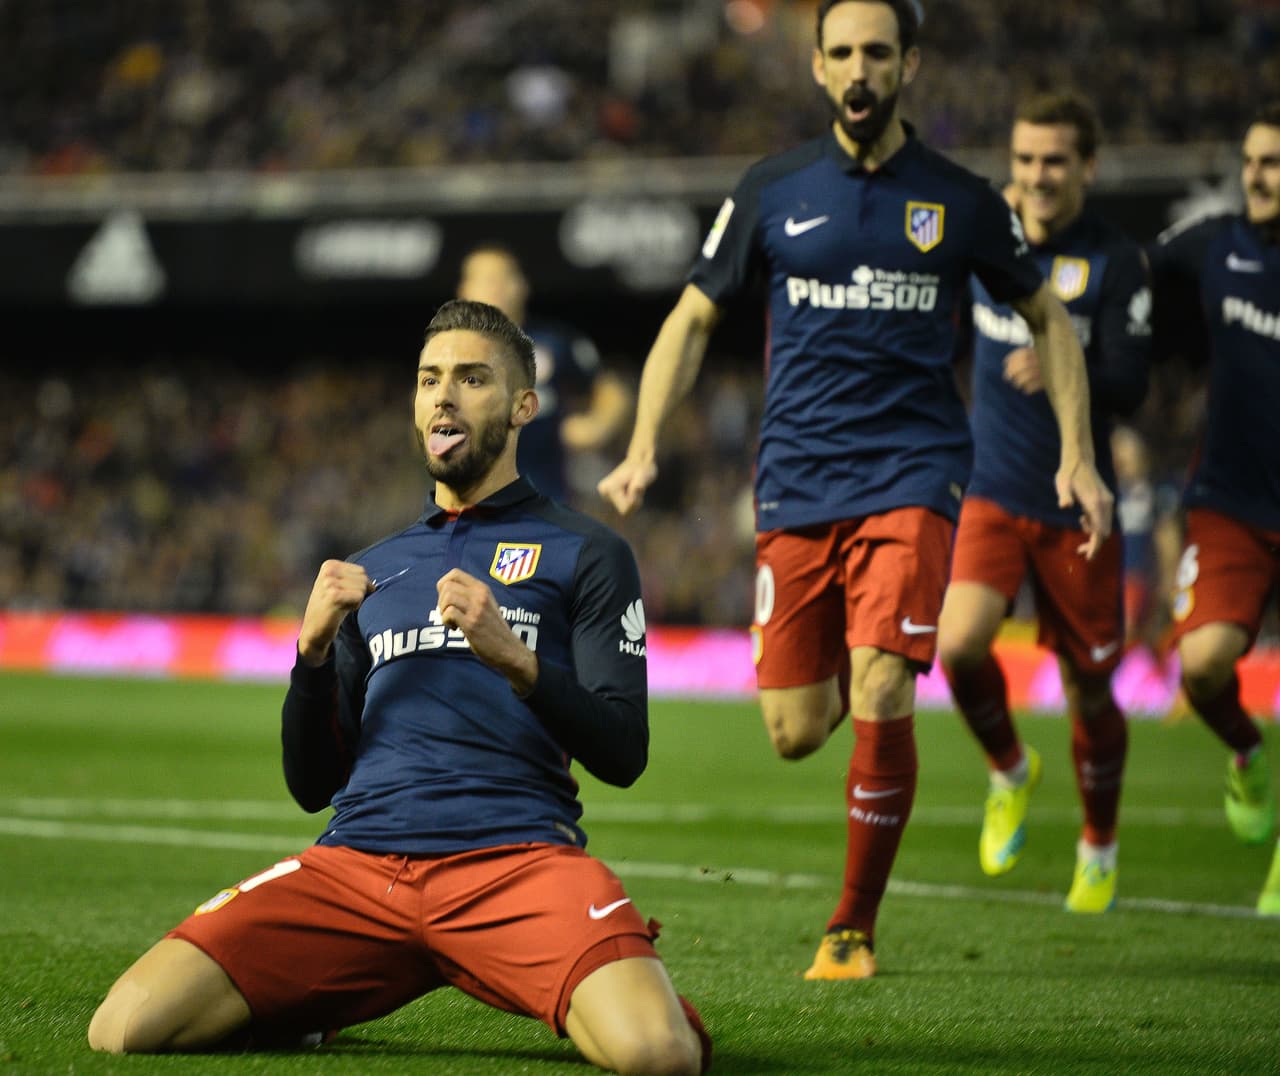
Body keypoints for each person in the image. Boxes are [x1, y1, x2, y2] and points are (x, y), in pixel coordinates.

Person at [598, 0, 1112, 979]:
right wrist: (642, 442)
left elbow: (1047, 316)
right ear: (817, 68)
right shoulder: (771, 188)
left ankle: (849, 927)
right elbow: (691, 317)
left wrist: (1075, 452)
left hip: (913, 470)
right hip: (794, 481)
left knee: (881, 678)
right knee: (794, 729)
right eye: (841, 52)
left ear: (907, 62)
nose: (858, 68)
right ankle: (872, 659)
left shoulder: (960, 200)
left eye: (877, 50)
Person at [87, 299, 711, 1075]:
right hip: (357, 872)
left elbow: (623, 752)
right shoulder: (374, 567)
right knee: (125, 1026)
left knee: (658, 1055)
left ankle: (610, 977)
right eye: (429, 380)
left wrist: (517, 661)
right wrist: (310, 655)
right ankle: (328, 997)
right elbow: (312, 784)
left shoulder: (586, 552)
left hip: (513, 865)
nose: (443, 396)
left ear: (524, 406)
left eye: (472, 379)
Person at [935, 93, 1152, 913]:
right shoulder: (992, 237)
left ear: (1086, 168)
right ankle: (1009, 767)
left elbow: (1134, 383)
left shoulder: (1115, 262)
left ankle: (1098, 843)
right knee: (958, 647)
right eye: (1024, 161)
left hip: (1076, 503)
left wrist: (1070, 355)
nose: (1036, 177)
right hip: (992, 490)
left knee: (1090, 689)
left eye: (1054, 161)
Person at [1148, 102, 1280, 916]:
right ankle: (1247, 751)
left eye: (1274, 163)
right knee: (1201, 667)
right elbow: (1133, 277)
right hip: (1231, 504)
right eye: (1253, 161)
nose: (1258, 175)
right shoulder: (1215, 245)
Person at [458, 243, 632, 503]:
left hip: (545, 503)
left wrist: (595, 427)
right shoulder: (449, 354)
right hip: (473, 508)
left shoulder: (553, 343)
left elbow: (612, 392)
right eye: (484, 279)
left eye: (504, 277)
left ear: (522, 286)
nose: (495, 287)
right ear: (463, 291)